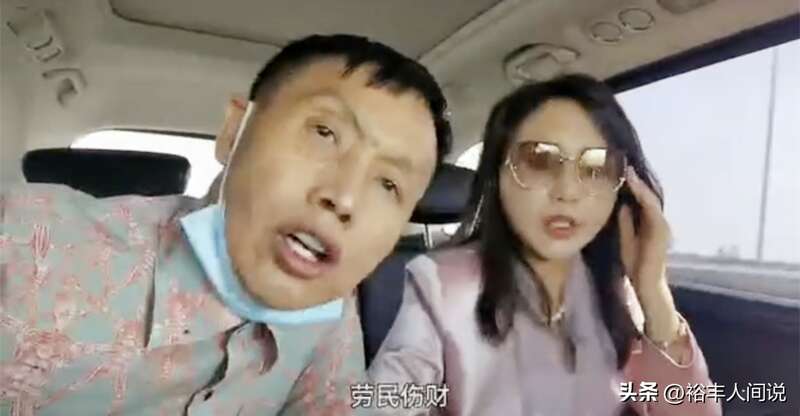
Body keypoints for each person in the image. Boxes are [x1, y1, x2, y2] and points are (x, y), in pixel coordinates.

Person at [0, 34, 451, 415]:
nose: (346, 198)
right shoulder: (26, 241)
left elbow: (349, 403)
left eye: (389, 184)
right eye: (324, 133)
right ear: (235, 132)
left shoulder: (328, 314)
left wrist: (453, 395)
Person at [368, 75, 722, 415]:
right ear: (497, 174)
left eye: (596, 167)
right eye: (539, 160)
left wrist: (654, 293)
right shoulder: (441, 284)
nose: (567, 191)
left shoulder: (617, 289)